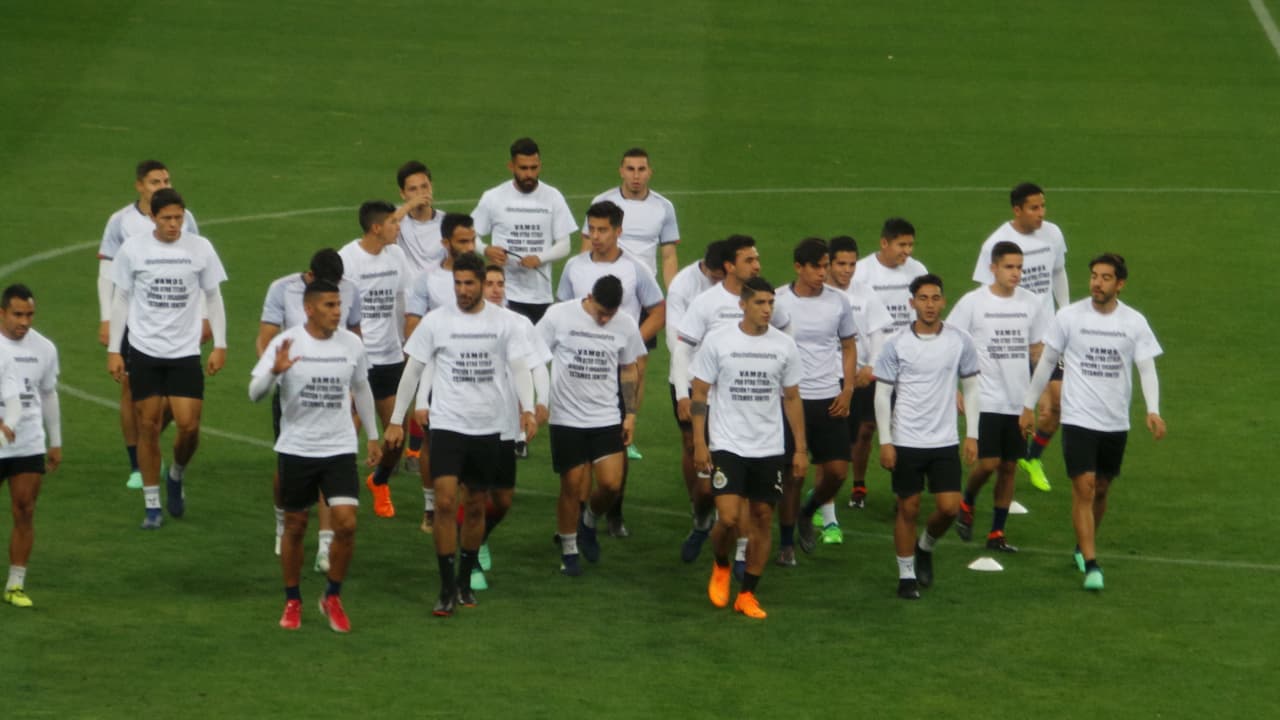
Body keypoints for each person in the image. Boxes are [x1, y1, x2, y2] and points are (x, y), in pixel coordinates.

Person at [383, 254, 537, 617]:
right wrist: (395, 419)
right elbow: (414, 369)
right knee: (446, 501)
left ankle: (465, 580)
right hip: (449, 424)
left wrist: (528, 408)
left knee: (475, 504)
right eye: (458, 283)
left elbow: (519, 366)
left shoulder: (505, 323)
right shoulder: (437, 321)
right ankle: (445, 586)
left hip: (488, 426)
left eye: (469, 284)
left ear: (483, 283)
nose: (463, 290)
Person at [1019, 253, 1164, 592]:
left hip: (1114, 421)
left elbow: (1146, 368)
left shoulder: (1134, 322)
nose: (1097, 283)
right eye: (1094, 276)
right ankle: (1092, 563)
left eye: (1106, 278)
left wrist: (1153, 409)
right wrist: (1028, 405)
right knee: (1083, 486)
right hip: (1078, 417)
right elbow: (1047, 362)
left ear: (1120, 284)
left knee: (1101, 488)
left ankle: (1081, 546)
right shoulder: (1069, 316)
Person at [250, 279, 381, 632]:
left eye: (339, 305)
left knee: (347, 523)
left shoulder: (352, 344)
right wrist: (275, 372)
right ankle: (292, 600)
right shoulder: (286, 343)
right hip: (297, 448)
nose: (337, 312)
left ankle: (332, 596)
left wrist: (373, 436)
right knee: (295, 526)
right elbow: (254, 393)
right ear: (309, 309)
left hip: (338, 447)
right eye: (329, 306)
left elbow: (362, 388)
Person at [107, 188, 228, 529]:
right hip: (144, 351)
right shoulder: (134, 249)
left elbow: (213, 297)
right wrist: (114, 350)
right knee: (148, 425)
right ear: (152, 218)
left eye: (178, 218)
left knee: (189, 426)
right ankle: (152, 505)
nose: (174, 225)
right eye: (167, 219)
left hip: (184, 351)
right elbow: (121, 299)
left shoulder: (200, 248)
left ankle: (176, 474)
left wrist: (220, 344)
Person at [672, 235, 791, 570]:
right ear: (730, 266)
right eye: (750, 260)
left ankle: (740, 553)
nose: (758, 265)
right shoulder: (706, 303)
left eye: (757, 259)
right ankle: (701, 523)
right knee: (706, 486)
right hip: (706, 397)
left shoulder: (765, 301)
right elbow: (683, 349)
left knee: (746, 492)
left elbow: (783, 336)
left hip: (749, 403)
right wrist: (683, 393)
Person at [691, 277, 806, 620]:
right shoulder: (719, 341)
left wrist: (799, 448)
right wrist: (700, 442)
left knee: (762, 518)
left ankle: (747, 595)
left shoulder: (784, 345)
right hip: (728, 443)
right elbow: (699, 393)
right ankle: (722, 564)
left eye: (771, 303)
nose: (767, 309)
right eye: (760, 303)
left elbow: (792, 397)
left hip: (768, 446)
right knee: (727, 517)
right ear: (743, 304)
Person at [557, 200, 665, 535]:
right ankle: (578, 519)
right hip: (579, 371)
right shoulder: (574, 267)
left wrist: (628, 344)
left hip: (617, 371)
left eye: (603, 230)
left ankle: (614, 510)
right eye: (591, 229)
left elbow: (659, 310)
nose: (596, 236)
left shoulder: (635, 269)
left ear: (619, 231)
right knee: (581, 447)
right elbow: (562, 311)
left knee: (616, 439)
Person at [874, 274, 980, 600]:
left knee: (949, 508)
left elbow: (972, 388)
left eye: (935, 298)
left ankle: (925, 546)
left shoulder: (960, 341)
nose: (930, 305)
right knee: (908, 508)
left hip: (944, 439)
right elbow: (881, 395)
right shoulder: (895, 344)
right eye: (923, 298)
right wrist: (886, 441)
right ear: (912, 303)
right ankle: (906, 575)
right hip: (906, 440)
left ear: (943, 302)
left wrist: (972, 435)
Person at [257, 248, 363, 568]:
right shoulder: (281, 289)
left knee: (330, 464)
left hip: (334, 391)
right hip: (295, 394)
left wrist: (354, 385)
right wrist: (274, 372)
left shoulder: (349, 290)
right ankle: (282, 523)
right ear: (310, 278)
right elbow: (265, 339)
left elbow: (356, 337)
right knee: (286, 467)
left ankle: (325, 545)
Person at [97, 160, 199, 490]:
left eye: (166, 179)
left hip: (175, 318)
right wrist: (106, 317)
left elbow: (195, 269)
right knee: (130, 392)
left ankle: (149, 443)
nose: (162, 185)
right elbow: (107, 273)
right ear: (140, 186)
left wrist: (201, 316)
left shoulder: (186, 219)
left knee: (173, 397)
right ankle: (137, 466)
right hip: (132, 318)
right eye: (155, 181)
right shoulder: (121, 222)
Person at [540, 275, 646, 576]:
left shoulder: (624, 323)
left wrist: (630, 414)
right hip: (566, 417)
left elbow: (628, 368)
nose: (603, 319)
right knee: (571, 486)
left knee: (612, 484)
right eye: (600, 312)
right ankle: (570, 549)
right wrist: (536, 401)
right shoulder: (560, 316)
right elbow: (534, 353)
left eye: (609, 315)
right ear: (588, 296)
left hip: (605, 416)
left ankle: (589, 520)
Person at [948, 241, 1049, 552]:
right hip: (985, 396)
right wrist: (953, 388)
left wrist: (1039, 395)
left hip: (1018, 399)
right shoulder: (972, 303)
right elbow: (950, 343)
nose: (1016, 273)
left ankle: (997, 534)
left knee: (1009, 466)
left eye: (1020, 267)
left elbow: (1037, 351)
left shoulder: (1032, 303)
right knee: (989, 463)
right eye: (1009, 267)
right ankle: (968, 500)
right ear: (992, 268)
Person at [455, 264, 550, 590]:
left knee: (504, 500)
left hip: (509, 425)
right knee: (474, 495)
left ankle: (477, 538)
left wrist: (539, 404)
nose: (496, 289)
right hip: (471, 421)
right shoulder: (460, 321)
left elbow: (536, 365)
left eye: (500, 283)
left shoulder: (519, 324)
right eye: (490, 283)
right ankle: (468, 561)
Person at [974, 183, 1068, 492]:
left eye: (1043, 207)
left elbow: (1057, 273)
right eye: (1034, 208)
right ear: (1017, 210)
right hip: (1014, 341)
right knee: (1016, 414)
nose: (1041, 214)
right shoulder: (997, 242)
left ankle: (1032, 457)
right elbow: (985, 294)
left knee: (1058, 407)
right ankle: (1005, 484)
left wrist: (1065, 315)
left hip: (1049, 337)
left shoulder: (1052, 233)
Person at [772, 239, 857, 566]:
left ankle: (809, 511)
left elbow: (848, 346)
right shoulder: (779, 301)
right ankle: (786, 542)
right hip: (790, 400)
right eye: (817, 267)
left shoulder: (839, 302)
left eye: (826, 266)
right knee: (793, 474)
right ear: (799, 267)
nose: (823, 273)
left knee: (836, 471)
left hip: (828, 398)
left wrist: (847, 388)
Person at [339, 201, 409, 519]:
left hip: (391, 357)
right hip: (357, 361)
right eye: (394, 222)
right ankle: (334, 491)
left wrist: (405, 343)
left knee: (396, 437)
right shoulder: (348, 260)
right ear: (376, 228)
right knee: (345, 430)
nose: (399, 226)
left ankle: (378, 481)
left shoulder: (396, 256)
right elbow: (338, 313)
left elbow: (400, 300)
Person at [665, 241, 727, 558]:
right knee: (692, 444)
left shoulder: (735, 287)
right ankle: (699, 507)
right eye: (715, 276)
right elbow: (677, 342)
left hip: (727, 384)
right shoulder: (683, 286)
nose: (719, 282)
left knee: (725, 448)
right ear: (706, 266)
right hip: (689, 378)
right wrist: (682, 391)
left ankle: (719, 511)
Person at [0, 285, 61, 608]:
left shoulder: (44, 348)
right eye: (17, 314)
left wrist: (56, 440)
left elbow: (48, 393)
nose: (24, 321)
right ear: (2, 313)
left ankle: (15, 584)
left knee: (25, 510)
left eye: (29, 314)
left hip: (27, 443)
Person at [476, 137, 577, 324]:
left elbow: (565, 245)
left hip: (540, 296)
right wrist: (485, 250)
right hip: (504, 294)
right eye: (523, 168)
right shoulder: (493, 197)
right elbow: (470, 236)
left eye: (534, 168)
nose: (529, 174)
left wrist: (540, 258)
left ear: (540, 165)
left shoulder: (553, 197)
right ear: (511, 166)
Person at [826, 235, 893, 517]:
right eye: (841, 264)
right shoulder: (821, 295)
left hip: (862, 377)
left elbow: (879, 332)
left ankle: (859, 485)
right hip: (829, 379)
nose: (848, 270)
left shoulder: (865, 293)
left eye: (852, 264)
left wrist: (872, 366)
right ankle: (824, 497)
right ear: (827, 263)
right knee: (832, 442)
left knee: (864, 432)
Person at [582, 148, 681, 288]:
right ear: (621, 172)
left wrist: (673, 294)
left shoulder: (664, 207)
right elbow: (587, 249)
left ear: (649, 172)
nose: (636, 176)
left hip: (645, 287)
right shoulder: (602, 202)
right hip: (608, 285)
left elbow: (669, 257)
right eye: (630, 169)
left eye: (641, 169)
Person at [393, 160, 447, 276]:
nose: (420, 193)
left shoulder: (445, 221)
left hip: (437, 288)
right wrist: (410, 205)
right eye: (413, 189)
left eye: (424, 186)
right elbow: (379, 231)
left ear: (431, 187)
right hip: (409, 291)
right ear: (402, 194)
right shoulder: (398, 216)